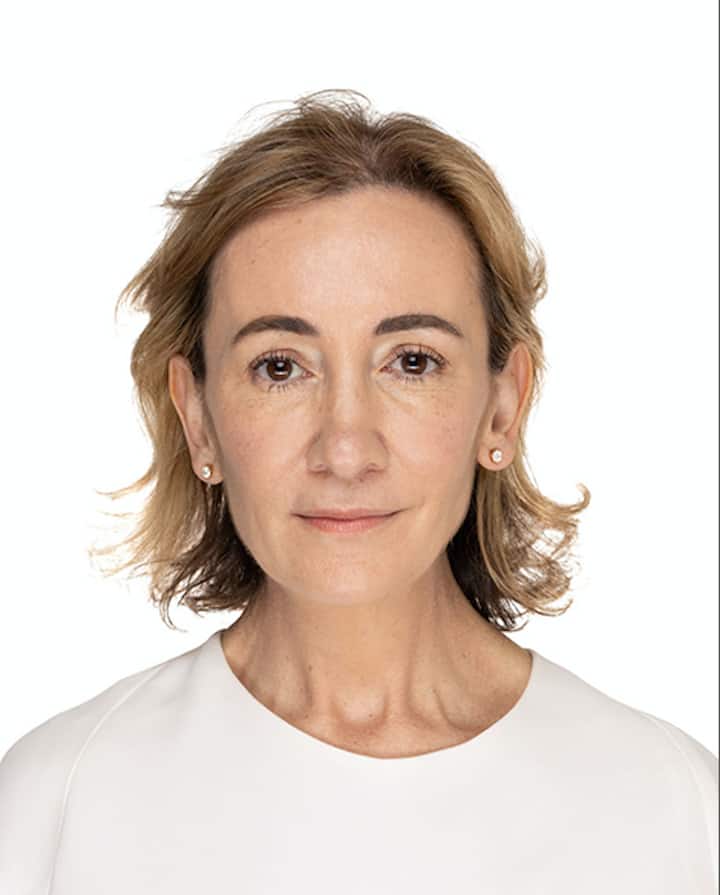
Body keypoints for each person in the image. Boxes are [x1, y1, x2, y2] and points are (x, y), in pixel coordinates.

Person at [0, 88, 716, 894]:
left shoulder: (673, 809)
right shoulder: (56, 805)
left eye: (412, 361)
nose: (345, 450)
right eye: (280, 366)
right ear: (197, 418)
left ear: (503, 407)